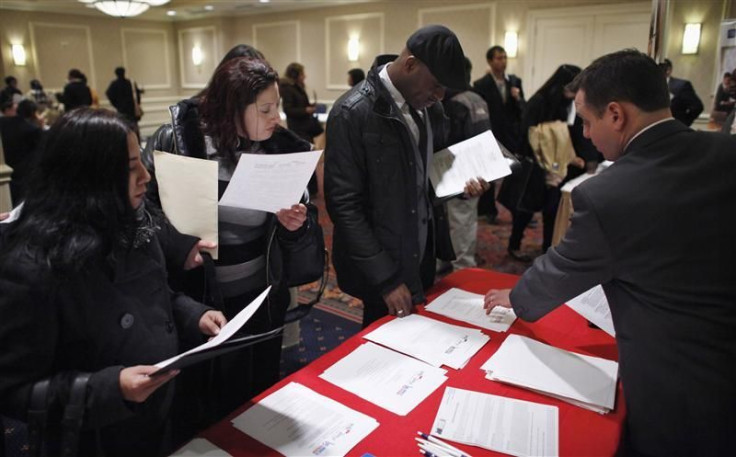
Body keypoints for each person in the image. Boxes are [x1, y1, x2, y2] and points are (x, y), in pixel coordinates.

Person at [483, 49, 736, 456]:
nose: (584, 133)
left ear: (616, 115)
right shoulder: (727, 153)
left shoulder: (607, 195)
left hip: (675, 392)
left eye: (586, 120)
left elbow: (560, 269)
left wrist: (515, 297)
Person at [0, 108, 226, 456]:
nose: (146, 177)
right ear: (87, 177)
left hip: (160, 415)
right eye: (130, 167)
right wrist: (112, 388)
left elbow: (153, 296)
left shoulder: (132, 226)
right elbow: (14, 390)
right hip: (97, 439)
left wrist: (192, 313)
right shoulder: (32, 266)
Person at [144, 56, 320, 420]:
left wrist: (295, 225)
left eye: (278, 108)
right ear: (231, 109)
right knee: (206, 402)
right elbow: (141, 212)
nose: (277, 118)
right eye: (266, 109)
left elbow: (300, 229)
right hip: (200, 295)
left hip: (261, 294)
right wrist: (179, 244)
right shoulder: (180, 141)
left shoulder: (279, 147)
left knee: (257, 392)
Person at [325, 24, 489, 328]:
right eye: (436, 85)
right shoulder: (352, 112)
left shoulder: (430, 108)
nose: (440, 96)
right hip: (381, 262)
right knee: (379, 343)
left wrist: (462, 186)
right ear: (410, 65)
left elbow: (428, 175)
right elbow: (345, 207)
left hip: (421, 253)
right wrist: (386, 279)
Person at [502, 64, 594, 259]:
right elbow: (529, 135)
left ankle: (548, 248)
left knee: (552, 209)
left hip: (558, 165)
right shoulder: (540, 102)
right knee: (525, 209)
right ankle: (514, 244)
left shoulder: (569, 104)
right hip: (535, 164)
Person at [439, 56, 491, 271]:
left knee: (457, 222)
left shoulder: (453, 103)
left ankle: (462, 269)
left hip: (455, 171)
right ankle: (455, 262)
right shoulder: (477, 98)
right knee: (464, 221)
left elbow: (448, 141)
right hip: (478, 167)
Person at [473, 45, 526, 223]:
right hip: (490, 133)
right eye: (498, 58)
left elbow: (523, 110)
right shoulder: (481, 85)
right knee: (489, 174)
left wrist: (517, 98)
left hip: (510, 135)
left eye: (504, 57)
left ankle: (514, 206)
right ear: (490, 61)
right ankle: (489, 210)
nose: (503, 61)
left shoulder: (515, 82)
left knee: (514, 173)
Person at [280, 62, 322, 193]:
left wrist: (308, 106)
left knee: (307, 158)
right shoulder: (288, 88)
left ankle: (311, 189)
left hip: (304, 127)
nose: (305, 76)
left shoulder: (297, 87)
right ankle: (305, 189)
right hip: (298, 128)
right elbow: (288, 109)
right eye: (302, 73)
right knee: (303, 160)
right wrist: (306, 110)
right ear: (296, 74)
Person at [0, 99, 44, 206]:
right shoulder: (32, 130)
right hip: (24, 176)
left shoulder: (2, 122)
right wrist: (40, 126)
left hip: (6, 169)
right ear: (33, 113)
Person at [660, 58, 703, 127]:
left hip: (675, 129)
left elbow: (697, 107)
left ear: (669, 70)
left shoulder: (682, 86)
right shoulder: (650, 86)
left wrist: (683, 124)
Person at [106, 67, 141, 134]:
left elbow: (108, 94)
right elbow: (137, 95)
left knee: (123, 128)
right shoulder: (130, 83)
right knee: (133, 129)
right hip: (131, 109)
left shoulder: (114, 84)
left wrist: (115, 104)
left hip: (121, 109)